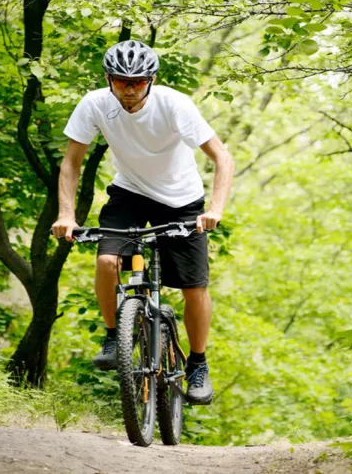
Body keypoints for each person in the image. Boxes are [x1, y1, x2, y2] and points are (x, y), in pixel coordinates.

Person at [51, 40, 234, 405]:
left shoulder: (174, 104)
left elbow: (222, 158)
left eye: (138, 81)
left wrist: (214, 209)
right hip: (130, 193)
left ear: (151, 80)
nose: (129, 88)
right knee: (107, 260)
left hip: (181, 200)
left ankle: (198, 363)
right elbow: (71, 163)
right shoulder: (94, 104)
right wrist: (66, 215)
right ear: (109, 78)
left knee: (193, 288)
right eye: (122, 80)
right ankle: (113, 336)